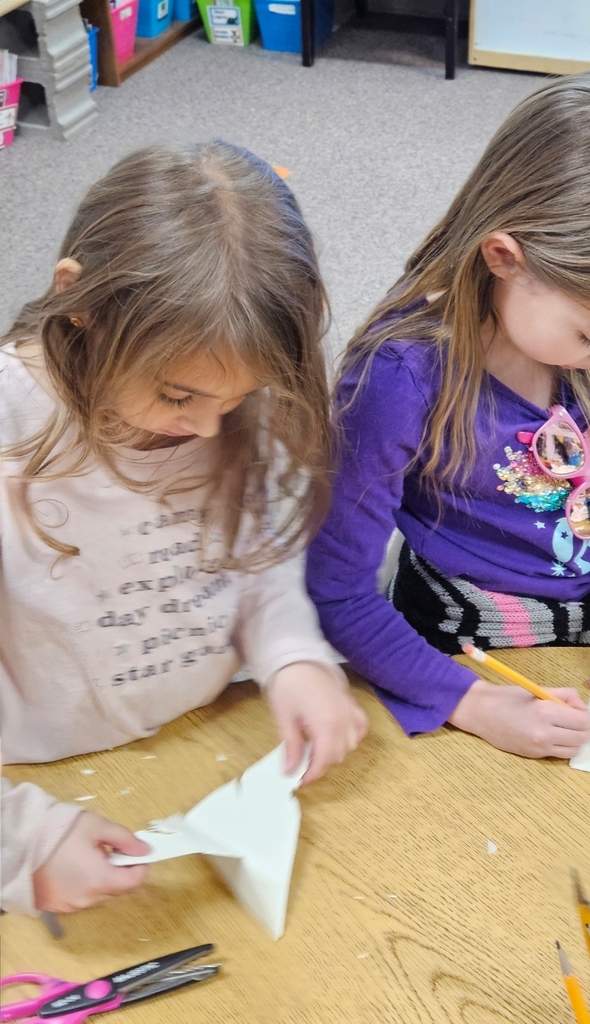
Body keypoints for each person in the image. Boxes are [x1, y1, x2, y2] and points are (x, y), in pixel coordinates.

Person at [306, 69, 590, 775]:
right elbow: (336, 592)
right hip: (457, 637)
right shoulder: (399, 378)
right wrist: (470, 704)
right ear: (505, 259)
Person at [0, 142, 367, 916]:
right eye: (177, 397)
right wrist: (21, 841)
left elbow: (261, 562)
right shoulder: (11, 424)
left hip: (206, 736)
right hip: (43, 785)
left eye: (235, 402)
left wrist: (293, 655)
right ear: (83, 303)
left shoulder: (231, 401)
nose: (207, 429)